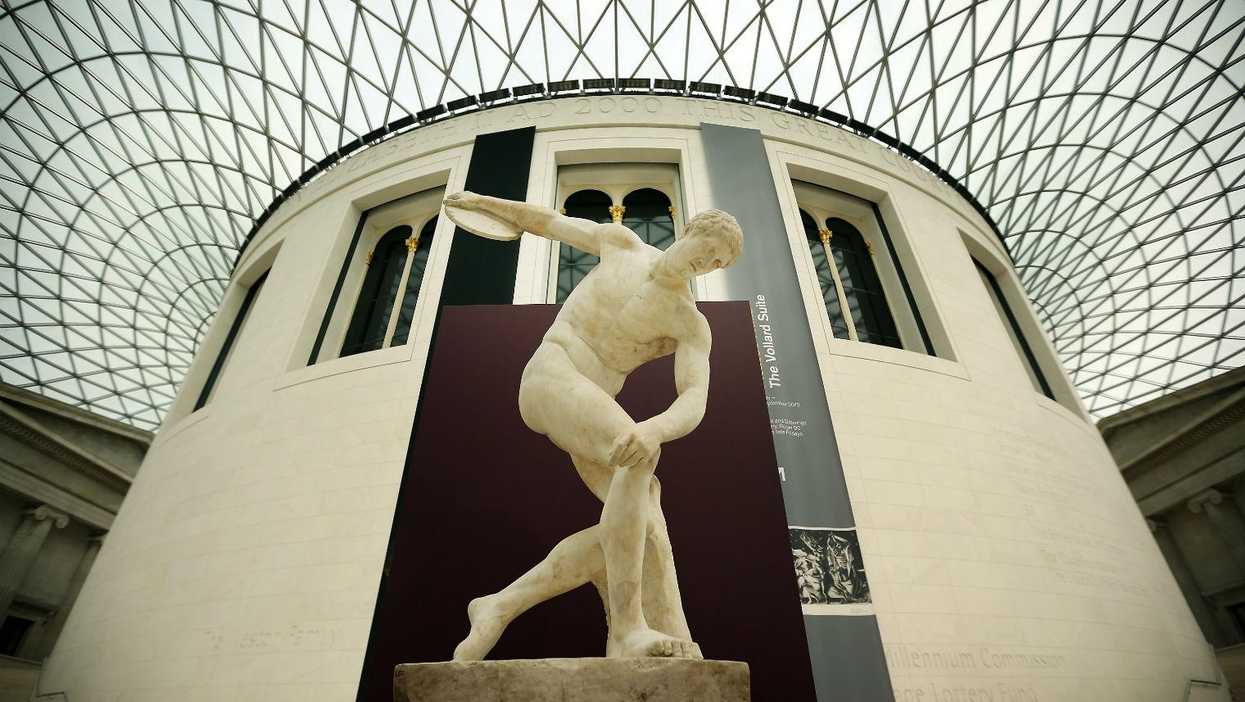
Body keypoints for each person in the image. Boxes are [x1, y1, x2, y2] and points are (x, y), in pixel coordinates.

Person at [442, 191, 743, 660]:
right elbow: (544, 221)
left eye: (713, 265)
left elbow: (694, 396)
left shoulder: (689, 322)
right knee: (640, 463)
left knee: (644, 523)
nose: (702, 264)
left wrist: (656, 427)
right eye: (704, 251)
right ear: (688, 232)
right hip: (551, 373)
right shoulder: (621, 245)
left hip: (590, 405)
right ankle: (626, 630)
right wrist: (481, 201)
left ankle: (499, 606)